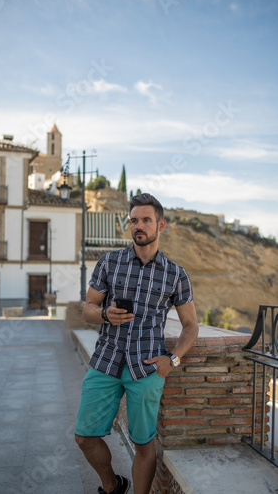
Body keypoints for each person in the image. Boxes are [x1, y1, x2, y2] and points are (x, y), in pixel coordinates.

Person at [75, 193, 199, 494]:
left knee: (143, 444)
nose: (139, 226)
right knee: (84, 437)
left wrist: (174, 359)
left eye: (146, 220)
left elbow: (191, 326)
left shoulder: (175, 274)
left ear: (161, 225)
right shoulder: (110, 262)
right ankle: (113, 485)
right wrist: (105, 314)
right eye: (134, 220)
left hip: (146, 368)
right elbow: (87, 309)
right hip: (106, 360)